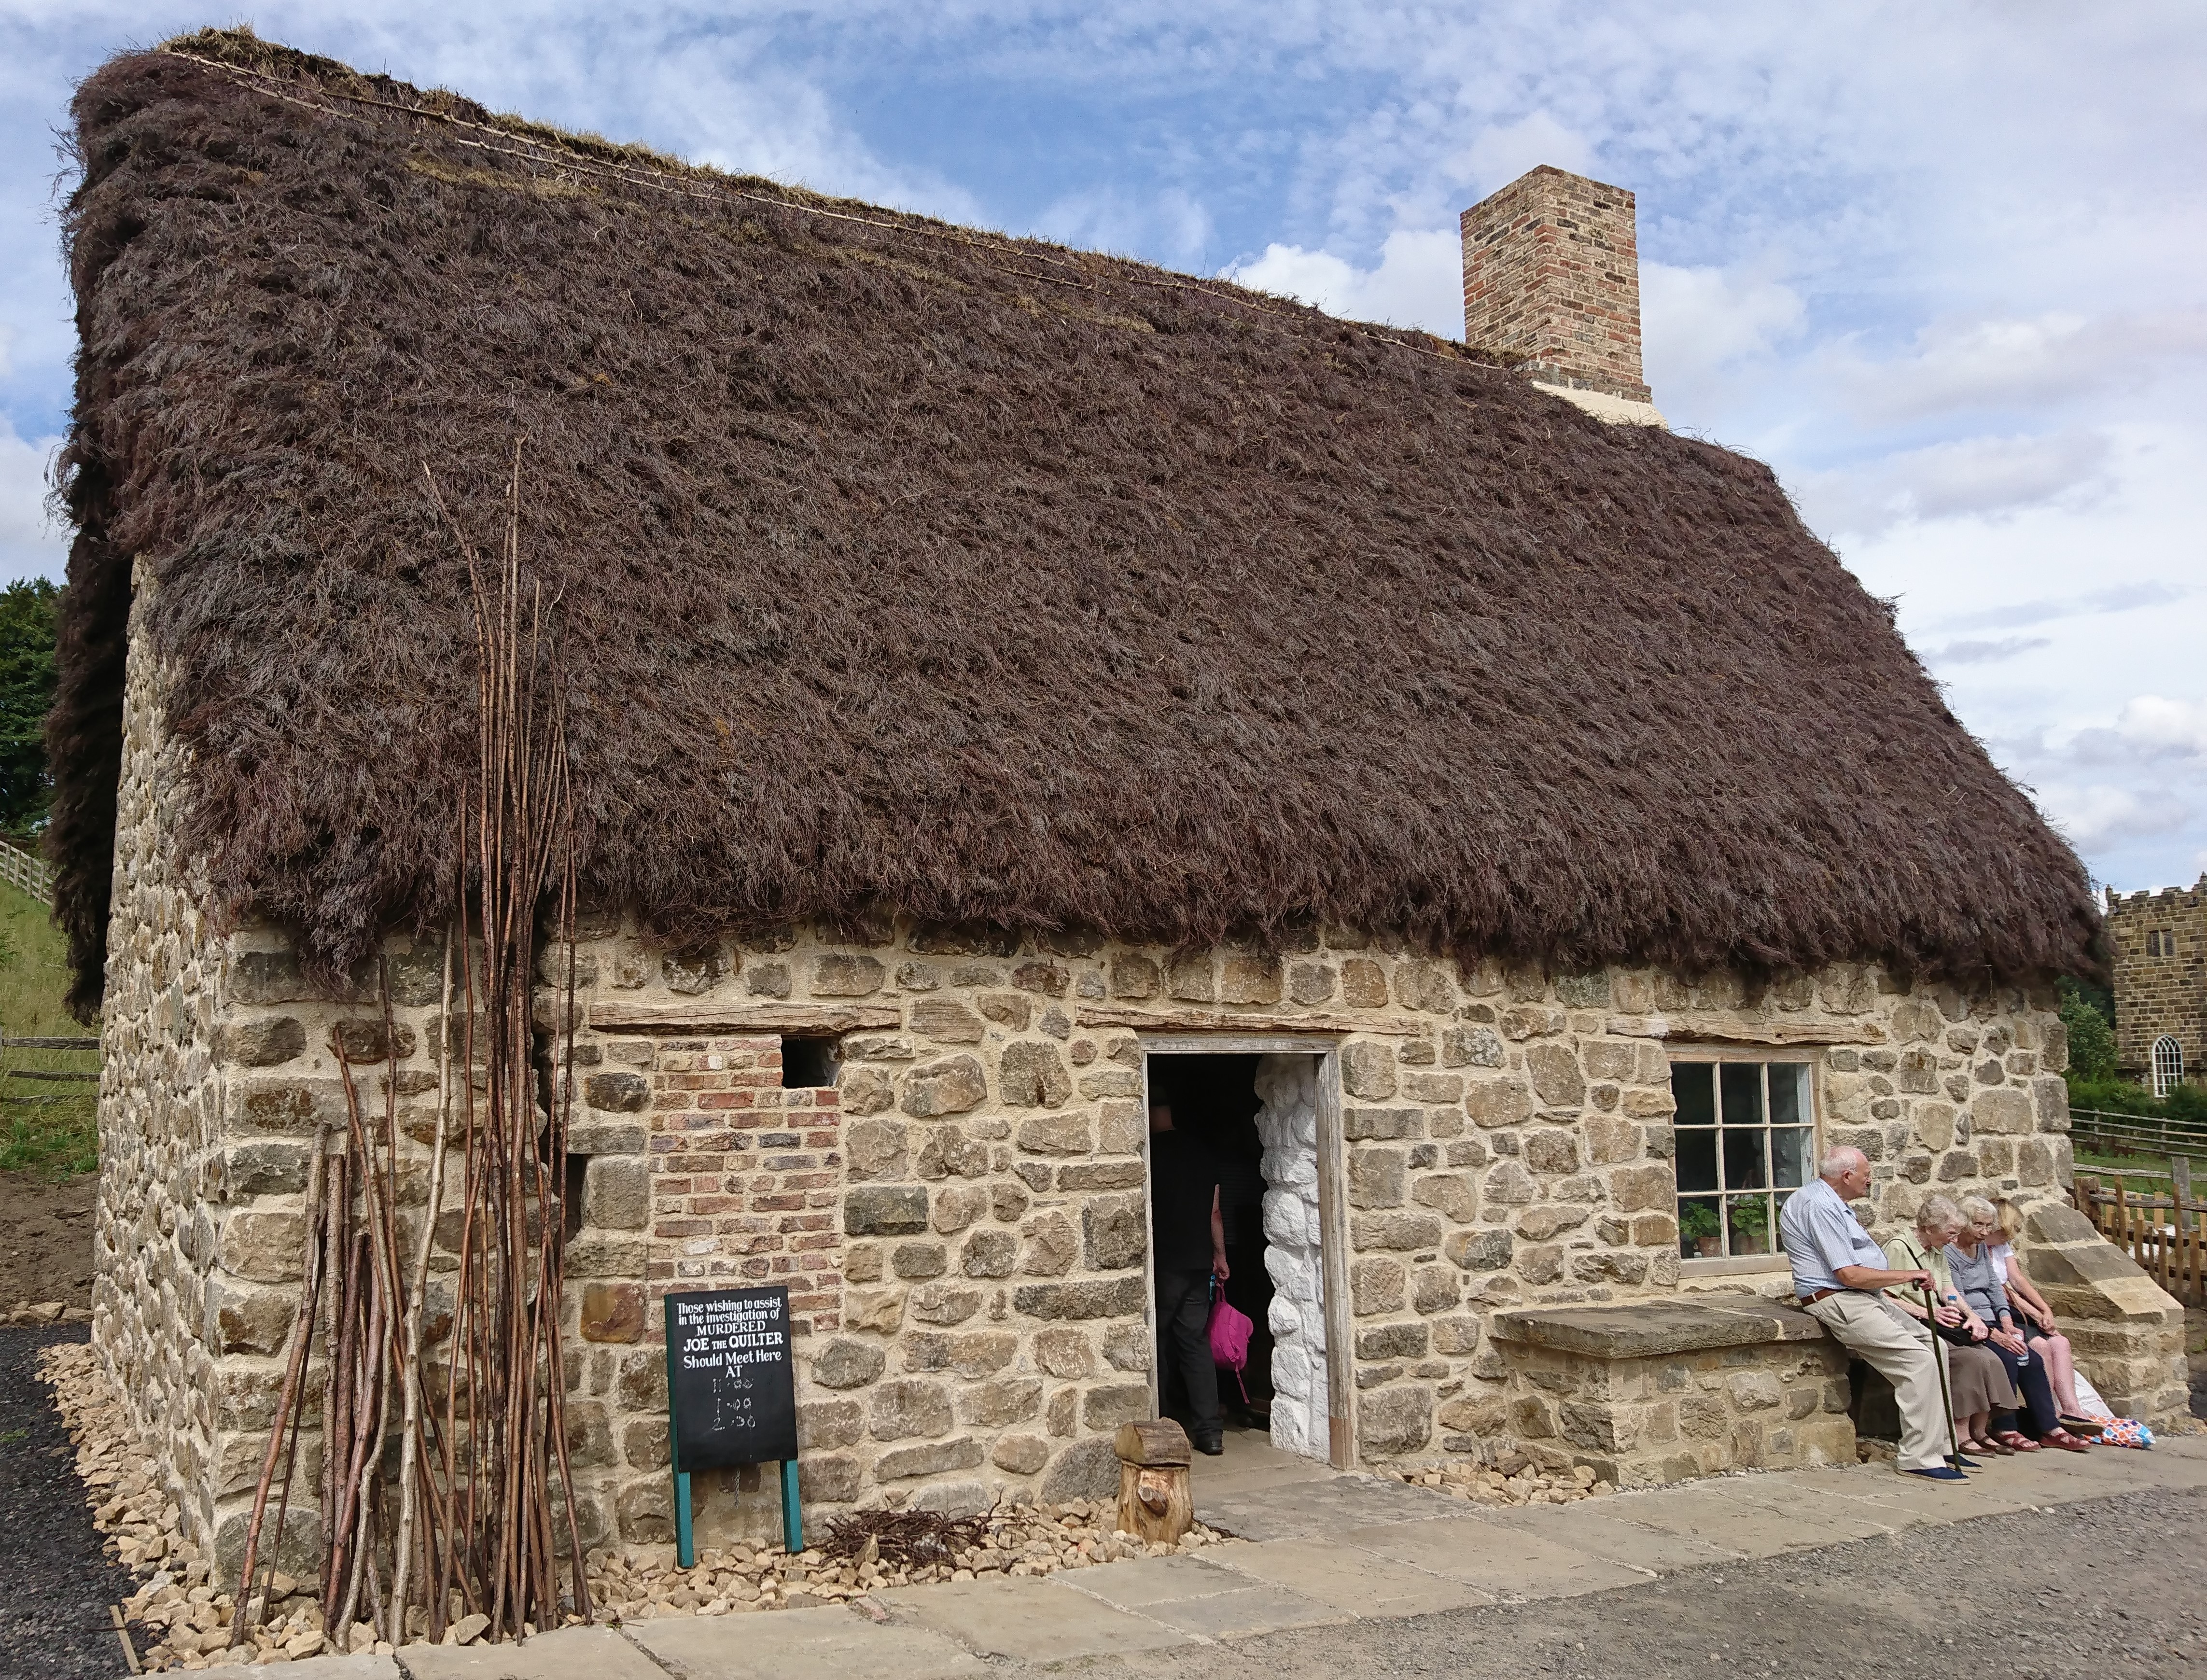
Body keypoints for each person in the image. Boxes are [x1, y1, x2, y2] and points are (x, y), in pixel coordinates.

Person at [1778, 1146, 1965, 1481]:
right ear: (1847, 1176)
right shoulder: (1819, 1206)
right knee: (1918, 1361)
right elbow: (1848, 1275)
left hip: (1862, 1297)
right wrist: (1908, 1275)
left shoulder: (1832, 1204)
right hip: (1840, 1299)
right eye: (1866, 1175)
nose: (1870, 1181)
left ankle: (1942, 1446)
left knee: (1937, 1348)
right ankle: (1920, 1458)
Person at [1945, 1203, 2092, 1453]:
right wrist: (1997, 1334)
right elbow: (1958, 1297)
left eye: (1987, 1226)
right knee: (2009, 1358)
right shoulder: (1950, 1253)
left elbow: (1995, 1286)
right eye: (1977, 1225)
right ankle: (2005, 1427)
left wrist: (2006, 1322)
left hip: (1993, 1318)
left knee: (2032, 1360)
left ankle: (2050, 1428)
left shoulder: (1980, 1249)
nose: (1983, 1231)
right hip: (1971, 1320)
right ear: (1963, 1224)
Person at [1880, 1195, 2017, 1458]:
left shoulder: (1938, 1249)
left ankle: (1980, 1432)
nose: (1954, 1239)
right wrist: (1926, 1312)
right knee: (1969, 1359)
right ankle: (1959, 1435)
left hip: (1938, 1320)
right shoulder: (1899, 1248)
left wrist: (1971, 1315)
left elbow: (1948, 1288)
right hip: (1914, 1322)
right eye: (1951, 1232)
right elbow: (1886, 1296)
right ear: (1931, 1228)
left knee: (1991, 1356)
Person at [1148, 1101, 1229, 1454]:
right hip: (1198, 1264)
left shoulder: (1148, 1152)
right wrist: (1220, 1256)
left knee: (1159, 1343)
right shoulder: (1202, 1153)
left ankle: (1162, 1427)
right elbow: (1214, 1212)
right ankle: (1210, 1433)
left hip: (1164, 1264)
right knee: (1194, 1343)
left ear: (1151, 1110)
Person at [1988, 1197, 2096, 1431]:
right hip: (1999, 1311)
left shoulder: (2000, 1247)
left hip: (2017, 1308)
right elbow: (2002, 1293)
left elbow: (2017, 1280)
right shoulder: (1979, 1251)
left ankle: (2071, 1409)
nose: (2011, 1236)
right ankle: (2047, 1413)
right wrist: (2035, 1315)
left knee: (2061, 1343)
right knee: (2040, 1346)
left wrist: (2045, 1308)